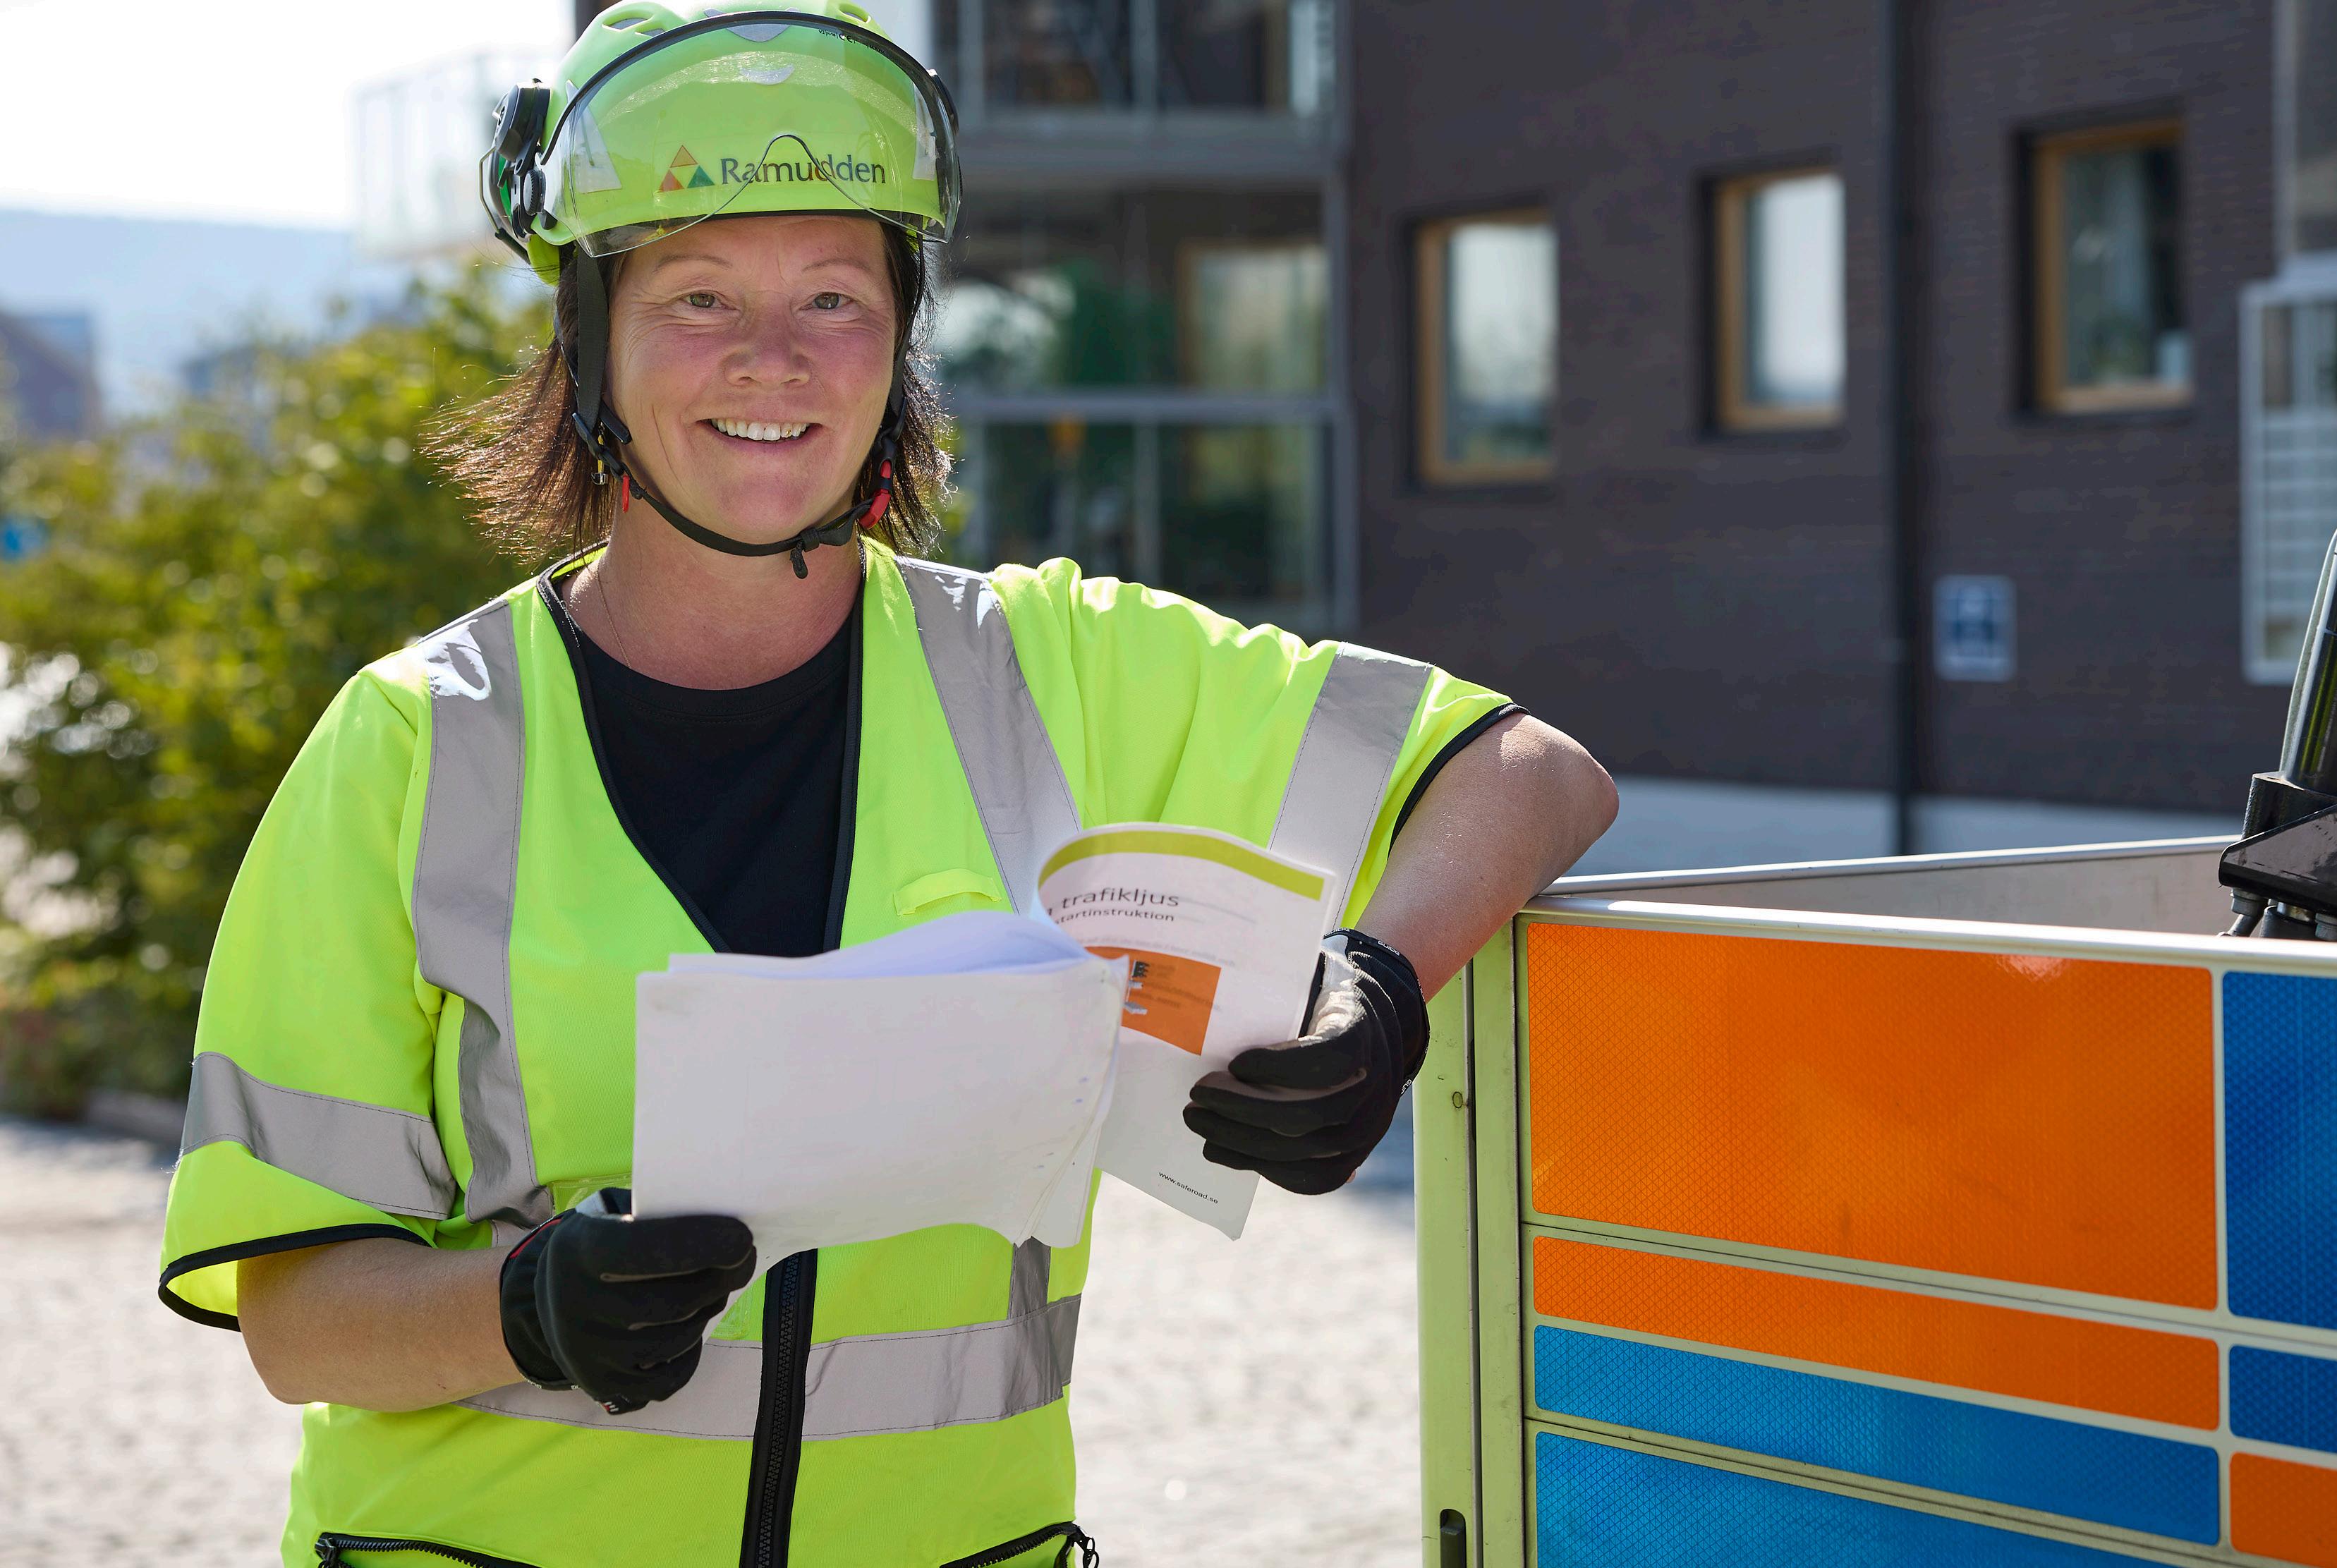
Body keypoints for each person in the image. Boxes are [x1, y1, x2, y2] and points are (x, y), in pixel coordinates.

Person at [155, 5, 1615, 1564]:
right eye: (698, 294)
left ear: (900, 337)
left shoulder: (1053, 667)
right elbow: (296, 1318)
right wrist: (524, 1310)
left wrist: (1377, 993)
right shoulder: (416, 744)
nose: (773, 358)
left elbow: (1530, 775)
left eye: (834, 296)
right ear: (589, 338)